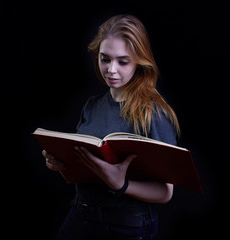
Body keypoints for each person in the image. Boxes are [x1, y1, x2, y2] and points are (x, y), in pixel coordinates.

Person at [42, 14, 180, 240]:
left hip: (126, 227)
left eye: (123, 61)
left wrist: (121, 184)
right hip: (80, 217)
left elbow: (166, 192)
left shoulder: (154, 114)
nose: (111, 70)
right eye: (105, 59)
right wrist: (59, 163)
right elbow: (81, 170)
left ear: (139, 62)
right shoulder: (92, 105)